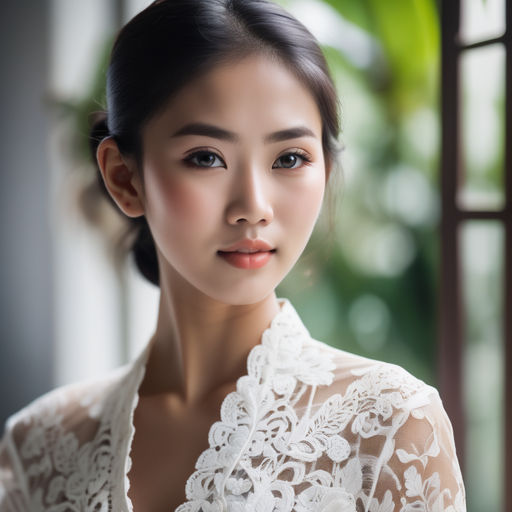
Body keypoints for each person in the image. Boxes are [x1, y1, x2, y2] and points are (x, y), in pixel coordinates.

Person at [0, 0, 466, 511]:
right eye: (206, 157)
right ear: (124, 178)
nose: (253, 208)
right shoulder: (38, 446)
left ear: (326, 171)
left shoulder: (391, 428)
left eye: (289, 158)